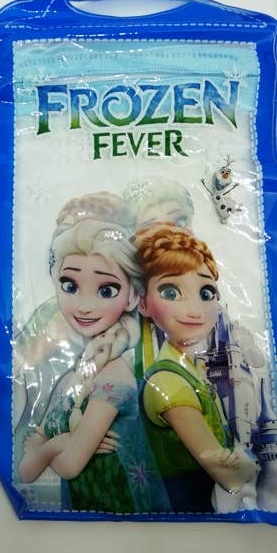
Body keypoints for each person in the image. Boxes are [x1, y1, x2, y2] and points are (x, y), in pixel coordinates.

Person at [16, 192, 170, 513]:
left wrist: (52, 447)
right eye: (70, 286)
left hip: (129, 514)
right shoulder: (72, 378)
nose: (85, 306)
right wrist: (62, 443)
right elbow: (25, 471)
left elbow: (69, 465)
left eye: (106, 290)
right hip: (78, 517)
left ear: (132, 297)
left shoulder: (115, 379)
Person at [135, 224, 258, 512]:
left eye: (206, 292)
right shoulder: (168, 381)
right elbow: (230, 477)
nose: (194, 310)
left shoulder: (191, 369)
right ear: (142, 303)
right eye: (170, 291)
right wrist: (245, 465)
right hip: (184, 518)